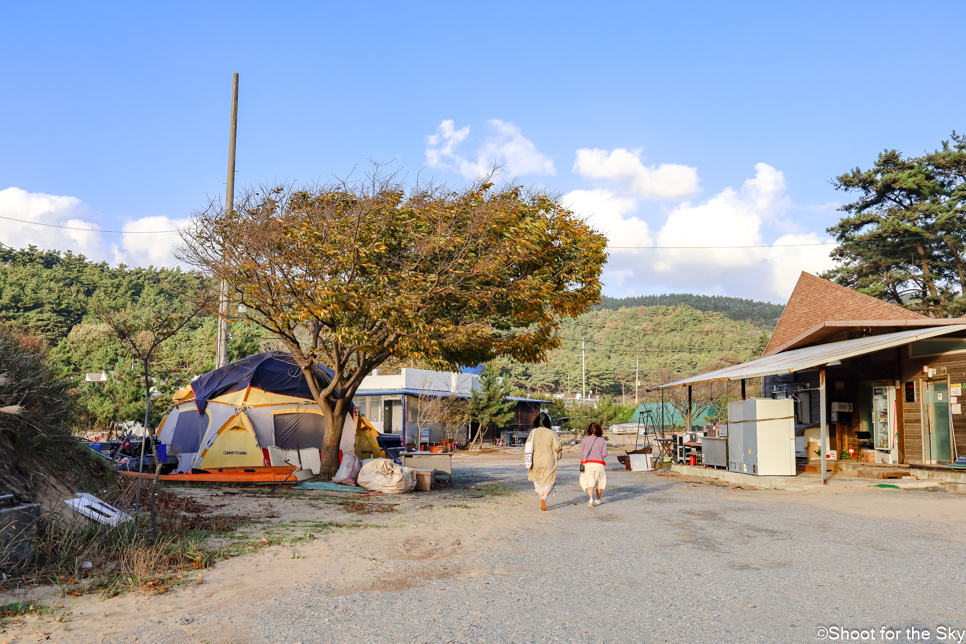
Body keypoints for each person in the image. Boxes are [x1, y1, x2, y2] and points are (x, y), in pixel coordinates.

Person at [526, 411, 562, 511]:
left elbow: (528, 445)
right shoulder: (552, 433)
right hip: (549, 460)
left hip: (536, 460)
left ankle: (541, 498)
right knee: (549, 480)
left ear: (537, 421)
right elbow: (558, 447)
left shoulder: (533, 432)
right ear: (547, 422)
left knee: (537, 480)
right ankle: (544, 497)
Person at [579, 422, 608, 508]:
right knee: (599, 481)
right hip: (599, 464)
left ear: (589, 430)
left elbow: (582, 454)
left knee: (590, 482)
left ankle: (591, 499)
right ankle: (598, 499)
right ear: (599, 431)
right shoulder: (602, 440)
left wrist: (582, 463)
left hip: (588, 463)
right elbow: (605, 454)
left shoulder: (585, 440)